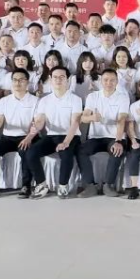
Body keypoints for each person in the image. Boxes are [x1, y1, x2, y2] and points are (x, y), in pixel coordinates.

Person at [26, 66, 84, 199]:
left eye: (62, 77)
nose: (58, 80)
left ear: (67, 80)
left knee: (66, 153)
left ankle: (63, 185)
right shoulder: (44, 100)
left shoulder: (75, 99)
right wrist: (36, 127)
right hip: (51, 136)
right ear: (50, 79)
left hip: (71, 136)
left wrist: (66, 142)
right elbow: (40, 120)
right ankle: (42, 184)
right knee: (31, 153)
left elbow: (75, 123)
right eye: (55, 77)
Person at [0, 68, 40, 198]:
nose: (17, 83)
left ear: (27, 82)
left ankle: (26, 185)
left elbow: (37, 123)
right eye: (15, 80)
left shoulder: (35, 100)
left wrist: (29, 137)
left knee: (25, 151)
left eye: (21, 80)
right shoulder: (4, 101)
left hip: (28, 137)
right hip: (8, 137)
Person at [76, 69, 131, 198]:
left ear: (117, 81)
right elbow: (83, 118)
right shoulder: (92, 96)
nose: (109, 83)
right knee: (80, 150)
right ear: (101, 81)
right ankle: (90, 185)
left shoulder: (123, 97)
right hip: (96, 137)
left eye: (112, 80)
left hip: (114, 136)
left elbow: (122, 120)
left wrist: (118, 141)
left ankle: (108, 185)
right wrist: (92, 118)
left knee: (117, 150)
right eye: (106, 80)